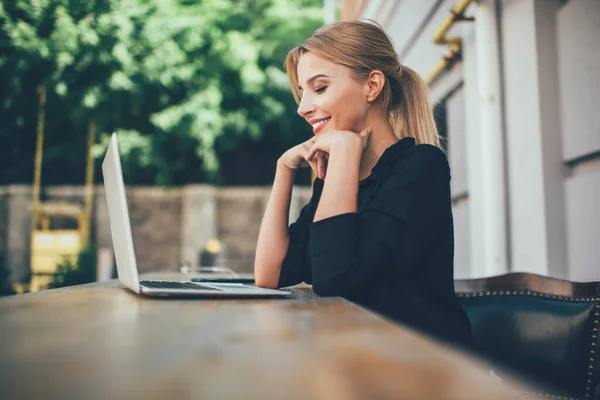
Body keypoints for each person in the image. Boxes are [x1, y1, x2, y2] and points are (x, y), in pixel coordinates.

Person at [254, 20, 471, 347]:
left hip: (425, 367)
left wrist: (342, 153)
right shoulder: (336, 177)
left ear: (372, 86)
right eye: (302, 93)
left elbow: (336, 279)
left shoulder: (421, 167)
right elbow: (270, 275)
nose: (302, 108)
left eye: (320, 87)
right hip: (359, 357)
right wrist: (283, 170)